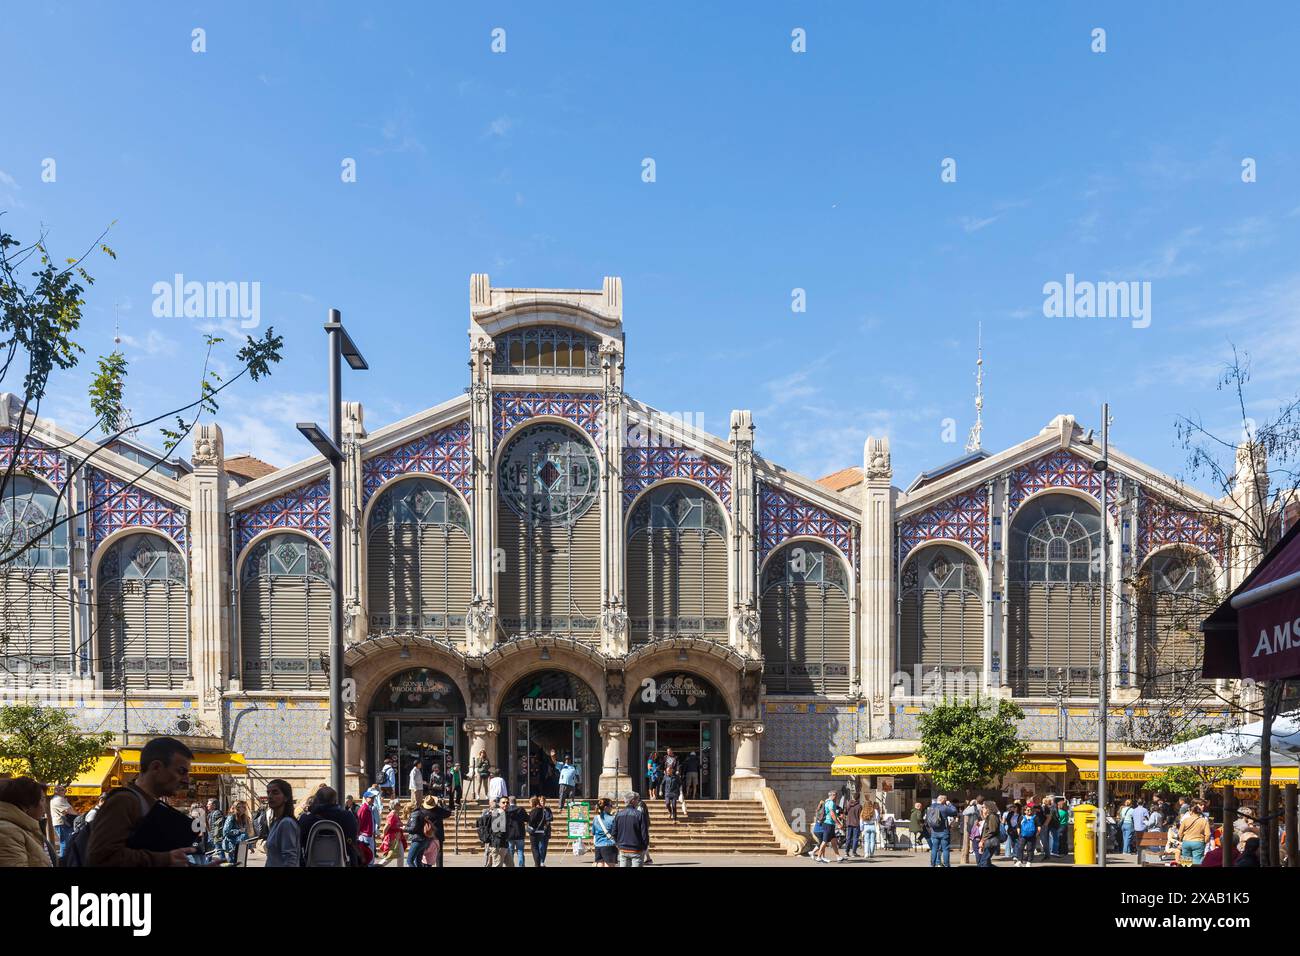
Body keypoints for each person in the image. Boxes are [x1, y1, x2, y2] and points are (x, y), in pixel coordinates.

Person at [82, 736, 194, 867]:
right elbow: (102, 858)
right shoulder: (124, 801)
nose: (186, 780)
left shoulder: (150, 805)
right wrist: (164, 859)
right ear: (156, 767)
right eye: (181, 771)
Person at [298, 786, 360, 866]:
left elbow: (299, 845)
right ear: (335, 801)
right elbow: (352, 843)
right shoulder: (348, 817)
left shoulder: (305, 819)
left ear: (317, 801)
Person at [0, 777, 55, 867]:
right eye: (42, 799)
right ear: (27, 804)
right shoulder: (6, 831)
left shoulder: (26, 828)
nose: (45, 805)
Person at [263, 779, 300, 868]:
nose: (270, 796)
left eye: (275, 793)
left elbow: (290, 859)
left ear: (286, 797)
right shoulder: (276, 822)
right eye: (268, 793)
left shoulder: (286, 823)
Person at [613, 794, 649, 867]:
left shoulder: (619, 814)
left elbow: (614, 832)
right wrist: (644, 847)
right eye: (637, 800)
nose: (638, 802)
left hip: (623, 849)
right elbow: (644, 833)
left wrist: (618, 844)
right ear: (632, 801)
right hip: (636, 849)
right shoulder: (639, 814)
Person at [813, 790, 845, 863]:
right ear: (832, 795)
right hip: (828, 824)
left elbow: (833, 814)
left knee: (833, 841)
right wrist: (839, 824)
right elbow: (832, 814)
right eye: (836, 795)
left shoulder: (827, 802)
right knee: (824, 841)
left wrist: (838, 819)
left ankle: (838, 857)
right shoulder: (831, 803)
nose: (837, 797)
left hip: (830, 824)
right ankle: (818, 857)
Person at [926, 794, 958, 868]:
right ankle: (946, 865)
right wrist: (949, 804)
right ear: (943, 800)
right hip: (944, 831)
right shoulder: (944, 808)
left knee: (934, 848)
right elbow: (954, 811)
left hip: (934, 831)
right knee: (945, 849)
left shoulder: (931, 807)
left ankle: (932, 864)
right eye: (945, 800)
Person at [377, 800, 407, 866]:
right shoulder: (392, 814)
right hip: (393, 838)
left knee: (401, 856)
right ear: (395, 806)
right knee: (390, 857)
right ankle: (378, 865)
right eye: (399, 804)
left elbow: (397, 824)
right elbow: (386, 827)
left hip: (398, 838)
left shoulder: (396, 814)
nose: (400, 805)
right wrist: (383, 835)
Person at [48, 784, 73, 860]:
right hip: (62, 823)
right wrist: (79, 815)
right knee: (65, 843)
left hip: (61, 823)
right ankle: (63, 860)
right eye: (62, 790)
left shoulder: (58, 799)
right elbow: (69, 811)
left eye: (64, 790)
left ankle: (64, 859)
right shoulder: (58, 799)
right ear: (56, 791)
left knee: (65, 842)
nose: (65, 791)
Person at [591, 797, 617, 867]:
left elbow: (593, 832)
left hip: (598, 845)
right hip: (609, 845)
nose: (612, 807)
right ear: (605, 807)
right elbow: (615, 832)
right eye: (611, 806)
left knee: (600, 864)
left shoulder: (596, 818)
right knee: (609, 865)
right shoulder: (612, 818)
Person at [528, 795, 553, 867]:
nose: (542, 802)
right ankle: (539, 862)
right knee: (539, 847)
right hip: (541, 830)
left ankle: (541, 861)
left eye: (543, 801)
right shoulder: (538, 809)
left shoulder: (547, 809)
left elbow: (550, 818)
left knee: (543, 847)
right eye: (541, 801)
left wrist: (546, 823)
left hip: (545, 830)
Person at [505, 796, 528, 867]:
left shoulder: (506, 810)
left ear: (509, 802)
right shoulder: (521, 809)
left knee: (510, 852)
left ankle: (510, 865)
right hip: (520, 833)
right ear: (516, 801)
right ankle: (521, 865)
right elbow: (527, 819)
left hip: (509, 834)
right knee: (520, 851)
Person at [488, 796, 512, 866]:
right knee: (497, 865)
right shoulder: (498, 813)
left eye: (507, 802)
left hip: (505, 844)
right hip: (498, 845)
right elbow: (496, 830)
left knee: (510, 865)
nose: (505, 804)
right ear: (499, 804)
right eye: (503, 802)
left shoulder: (505, 813)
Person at [976, 801, 1000, 867]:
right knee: (986, 862)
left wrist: (982, 841)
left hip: (991, 842)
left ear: (988, 808)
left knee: (983, 862)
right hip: (988, 842)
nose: (982, 808)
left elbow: (992, 831)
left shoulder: (992, 816)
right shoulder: (989, 817)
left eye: (983, 807)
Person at [842, 793, 862, 858]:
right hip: (856, 823)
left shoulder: (848, 804)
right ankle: (854, 852)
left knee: (848, 838)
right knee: (855, 838)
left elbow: (845, 812)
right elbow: (860, 816)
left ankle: (846, 852)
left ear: (853, 797)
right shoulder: (859, 806)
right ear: (858, 798)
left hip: (849, 823)